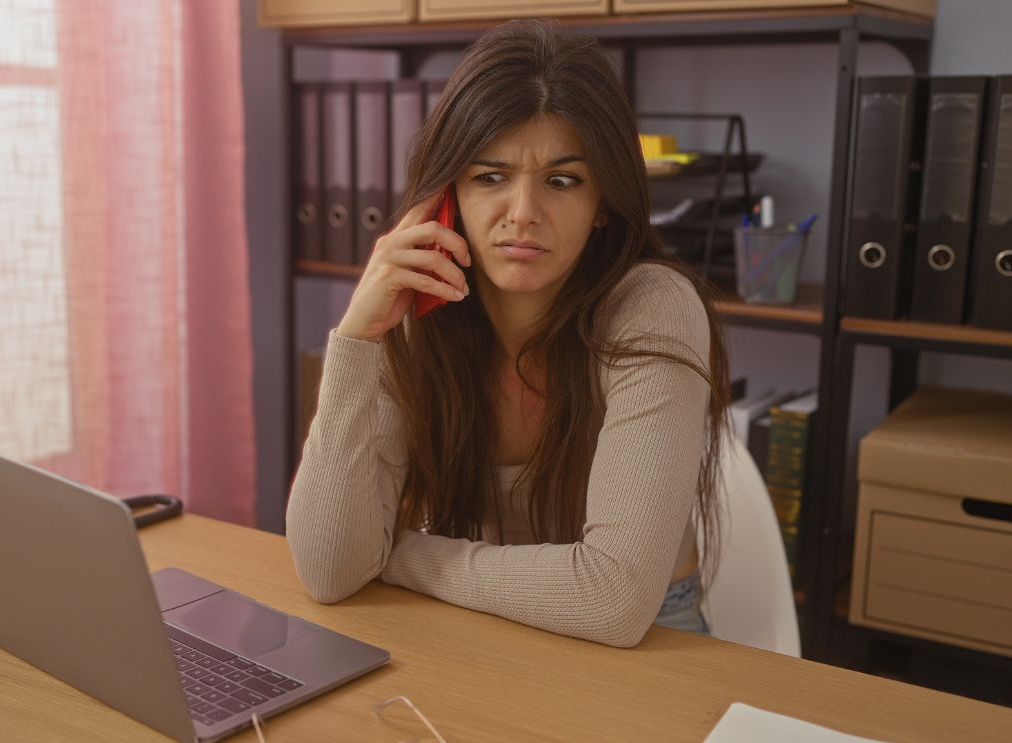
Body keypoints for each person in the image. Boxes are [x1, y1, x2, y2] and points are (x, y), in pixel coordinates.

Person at [286, 18, 731, 648]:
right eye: (489, 176)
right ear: (448, 196)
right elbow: (330, 570)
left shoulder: (653, 306)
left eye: (562, 180)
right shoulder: (419, 308)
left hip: (657, 635)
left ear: (604, 200)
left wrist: (402, 555)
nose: (522, 214)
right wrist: (358, 337)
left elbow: (614, 598)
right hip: (484, 618)